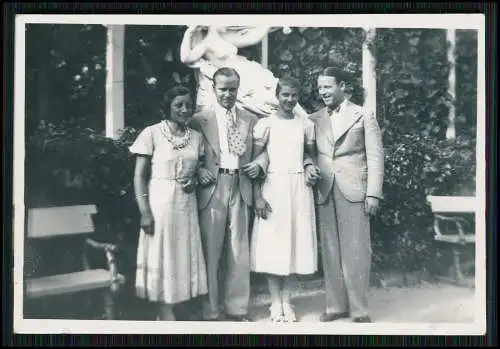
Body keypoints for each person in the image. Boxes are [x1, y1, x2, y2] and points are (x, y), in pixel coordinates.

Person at [189, 67, 268, 322]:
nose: (227, 94)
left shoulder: (250, 119)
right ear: (214, 89)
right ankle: (210, 311)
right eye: (223, 89)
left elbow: (265, 148)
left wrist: (261, 163)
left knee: (239, 251)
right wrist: (199, 169)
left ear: (238, 88)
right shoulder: (200, 119)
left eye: (232, 89)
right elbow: (189, 152)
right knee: (211, 251)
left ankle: (237, 309)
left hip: (241, 184)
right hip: (214, 187)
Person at [308, 66, 385, 323]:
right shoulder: (314, 118)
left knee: (357, 249)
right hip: (325, 188)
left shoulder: (363, 115)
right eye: (320, 88)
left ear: (343, 86)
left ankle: (359, 309)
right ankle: (335, 305)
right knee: (330, 250)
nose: (323, 92)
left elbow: (375, 156)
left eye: (328, 86)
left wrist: (373, 193)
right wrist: (309, 165)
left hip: (354, 189)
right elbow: (307, 150)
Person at [130, 85, 209, 321]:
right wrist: (144, 211)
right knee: (161, 253)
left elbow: (196, 170)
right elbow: (138, 177)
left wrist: (194, 180)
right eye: (179, 105)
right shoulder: (151, 133)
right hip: (159, 202)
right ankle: (162, 310)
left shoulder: (196, 137)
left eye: (188, 105)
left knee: (182, 253)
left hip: (186, 204)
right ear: (168, 107)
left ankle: (178, 305)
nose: (185, 109)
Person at [250, 76, 319, 322]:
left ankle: (287, 301)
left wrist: (310, 166)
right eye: (285, 95)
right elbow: (256, 164)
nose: (290, 100)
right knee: (274, 245)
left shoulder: (305, 124)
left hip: (298, 187)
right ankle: (274, 302)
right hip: (273, 186)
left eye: (294, 96)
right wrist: (257, 196)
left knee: (294, 244)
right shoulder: (265, 124)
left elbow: (309, 156)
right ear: (277, 96)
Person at [179, 25, 309, 120]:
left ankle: (306, 119)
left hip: (247, 69)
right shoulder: (206, 43)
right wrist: (189, 32)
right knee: (271, 99)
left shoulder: (226, 38)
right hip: (234, 75)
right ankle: (303, 121)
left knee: (278, 90)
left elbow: (251, 39)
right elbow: (185, 58)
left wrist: (268, 25)